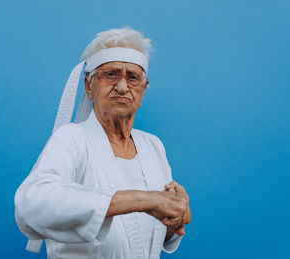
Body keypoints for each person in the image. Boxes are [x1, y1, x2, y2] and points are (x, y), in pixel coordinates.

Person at [14, 27, 191, 259]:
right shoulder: (71, 139)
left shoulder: (153, 146)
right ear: (89, 86)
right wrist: (144, 200)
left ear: (143, 90)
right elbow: (32, 206)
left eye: (133, 77)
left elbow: (145, 239)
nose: (122, 86)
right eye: (111, 74)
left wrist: (174, 215)